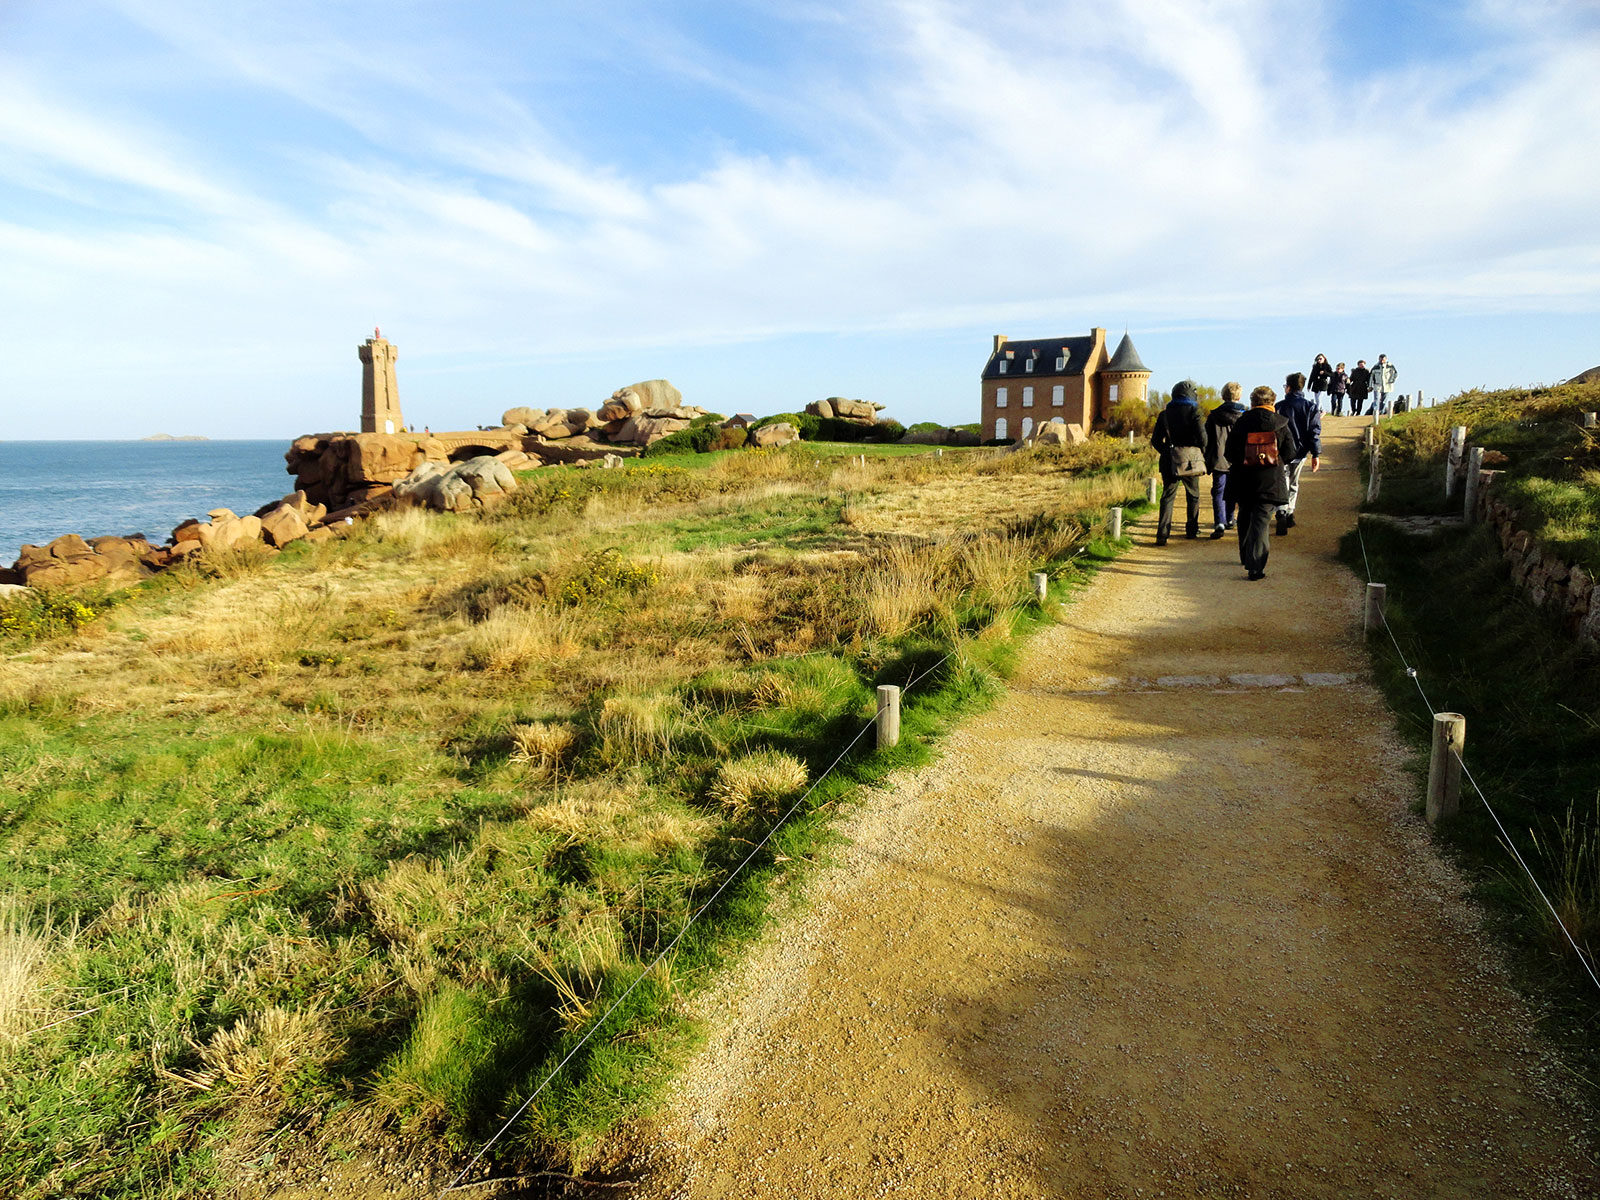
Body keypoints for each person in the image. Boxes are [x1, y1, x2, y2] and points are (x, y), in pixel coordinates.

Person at [1224, 385, 1299, 580]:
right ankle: (1256, 566)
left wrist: (1244, 459)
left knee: (1245, 515)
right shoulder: (1281, 423)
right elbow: (1291, 453)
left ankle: (1245, 555)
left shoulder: (1242, 423)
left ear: (1253, 402)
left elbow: (1229, 452)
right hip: (1270, 478)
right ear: (1272, 402)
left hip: (1243, 477)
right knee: (1262, 520)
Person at [1150, 379, 1207, 544]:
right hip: (1190, 460)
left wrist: (1168, 452)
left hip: (1169, 459)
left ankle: (1162, 534)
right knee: (1193, 495)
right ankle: (1191, 530)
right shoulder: (1194, 412)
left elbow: (1155, 440)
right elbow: (1203, 438)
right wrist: (1198, 453)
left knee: (1167, 496)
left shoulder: (1164, 414)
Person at [1274, 372, 1321, 535]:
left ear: (1288, 388)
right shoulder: (1310, 407)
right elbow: (1314, 432)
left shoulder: (1278, 406)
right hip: (1300, 451)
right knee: (1294, 483)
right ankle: (1289, 512)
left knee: (1281, 481)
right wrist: (1316, 454)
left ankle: (1281, 509)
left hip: (1280, 452)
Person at [1204, 381, 1247, 538]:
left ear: (1223, 396)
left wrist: (1207, 458)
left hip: (1219, 458)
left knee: (1219, 491)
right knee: (1235, 490)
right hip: (1239, 460)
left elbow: (1206, 439)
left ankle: (1219, 522)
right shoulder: (1244, 415)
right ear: (1239, 396)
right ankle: (1230, 518)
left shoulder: (1214, 416)